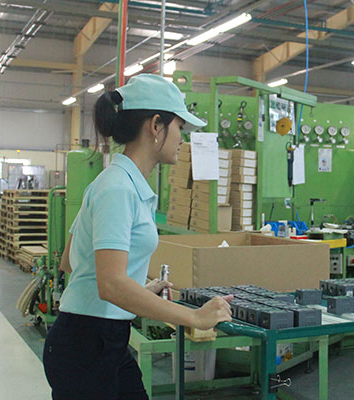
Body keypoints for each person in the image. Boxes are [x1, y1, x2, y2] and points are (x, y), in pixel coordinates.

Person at [43, 74, 233, 400]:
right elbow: (110, 284)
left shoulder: (120, 184)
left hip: (102, 338)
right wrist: (194, 317)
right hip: (87, 345)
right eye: (180, 128)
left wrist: (141, 288)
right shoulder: (117, 188)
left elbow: (72, 262)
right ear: (156, 125)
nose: (182, 139)